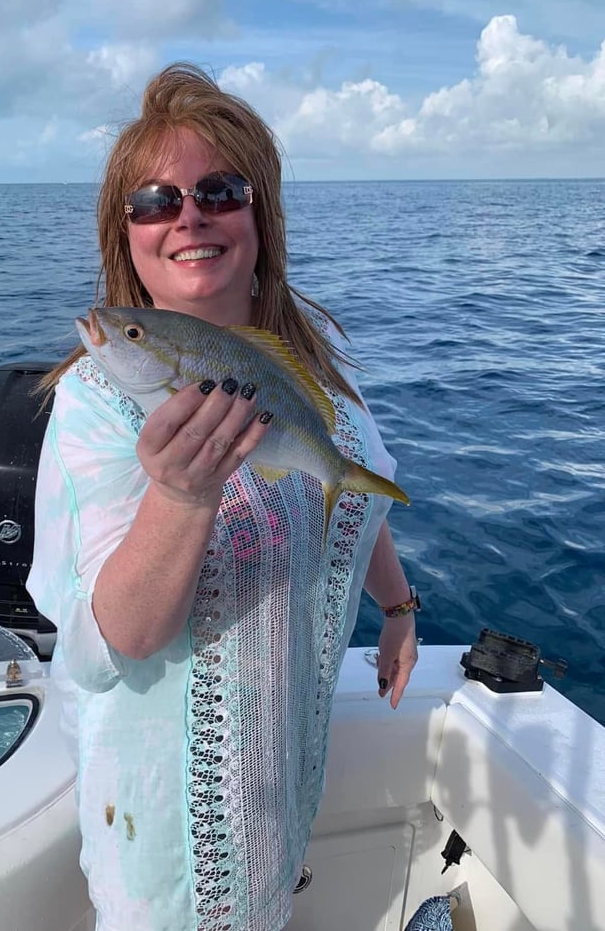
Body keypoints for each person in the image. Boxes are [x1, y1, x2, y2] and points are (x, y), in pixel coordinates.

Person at [27, 62, 419, 931]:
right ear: (124, 233)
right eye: (153, 201)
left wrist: (398, 607)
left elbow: (347, 487)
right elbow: (111, 641)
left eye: (219, 188)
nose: (188, 215)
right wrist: (180, 495)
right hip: (168, 832)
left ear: (260, 215)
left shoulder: (311, 371)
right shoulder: (97, 401)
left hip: (284, 783)